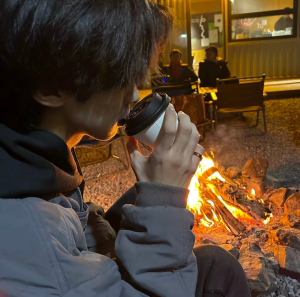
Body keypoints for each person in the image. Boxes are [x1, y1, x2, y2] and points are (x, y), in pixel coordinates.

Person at [0, 1, 251, 297]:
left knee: (217, 265)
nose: (133, 93)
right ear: (50, 88)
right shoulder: (31, 237)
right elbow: (59, 261)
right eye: (119, 75)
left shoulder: (34, 153)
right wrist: (163, 201)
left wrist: (114, 216)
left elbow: (71, 228)